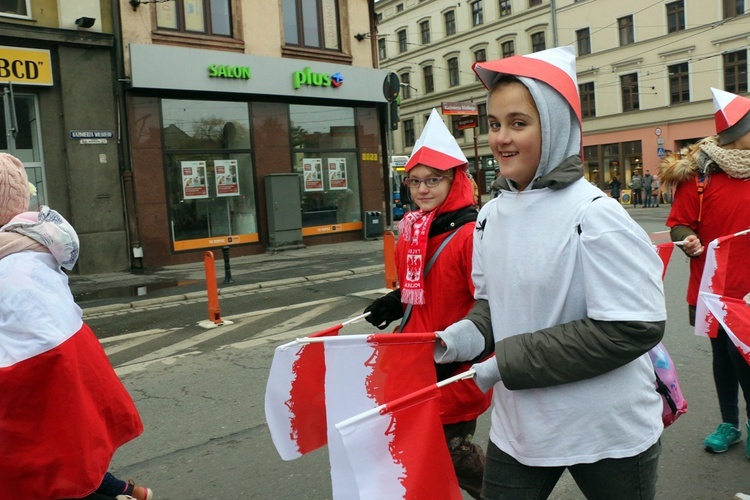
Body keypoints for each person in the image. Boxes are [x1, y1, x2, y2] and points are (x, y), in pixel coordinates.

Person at [437, 46, 666, 498]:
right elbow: (495, 303)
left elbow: (633, 326)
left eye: (518, 123)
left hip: (607, 431)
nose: (502, 138)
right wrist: (462, 336)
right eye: (496, 124)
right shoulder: (490, 216)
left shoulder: (596, 214)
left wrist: (506, 362)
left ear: (556, 128)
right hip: (520, 429)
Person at [0, 153, 153, 500]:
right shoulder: (26, 252)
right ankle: (127, 491)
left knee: (51, 474)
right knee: (70, 459)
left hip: (36, 393)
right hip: (59, 385)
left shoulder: (11, 267)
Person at [363, 109, 492, 499]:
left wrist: (458, 354)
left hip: (454, 362)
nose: (422, 189)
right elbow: (422, 287)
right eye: (415, 181)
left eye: (433, 180)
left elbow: (491, 304)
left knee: (452, 452)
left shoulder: (472, 233)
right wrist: (396, 299)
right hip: (415, 361)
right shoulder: (415, 228)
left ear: (455, 181)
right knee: (416, 448)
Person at [660, 87, 750, 458]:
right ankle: (730, 423)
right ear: (736, 133)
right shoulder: (698, 177)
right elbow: (678, 224)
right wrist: (689, 238)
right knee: (724, 354)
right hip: (712, 284)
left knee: (742, 354)